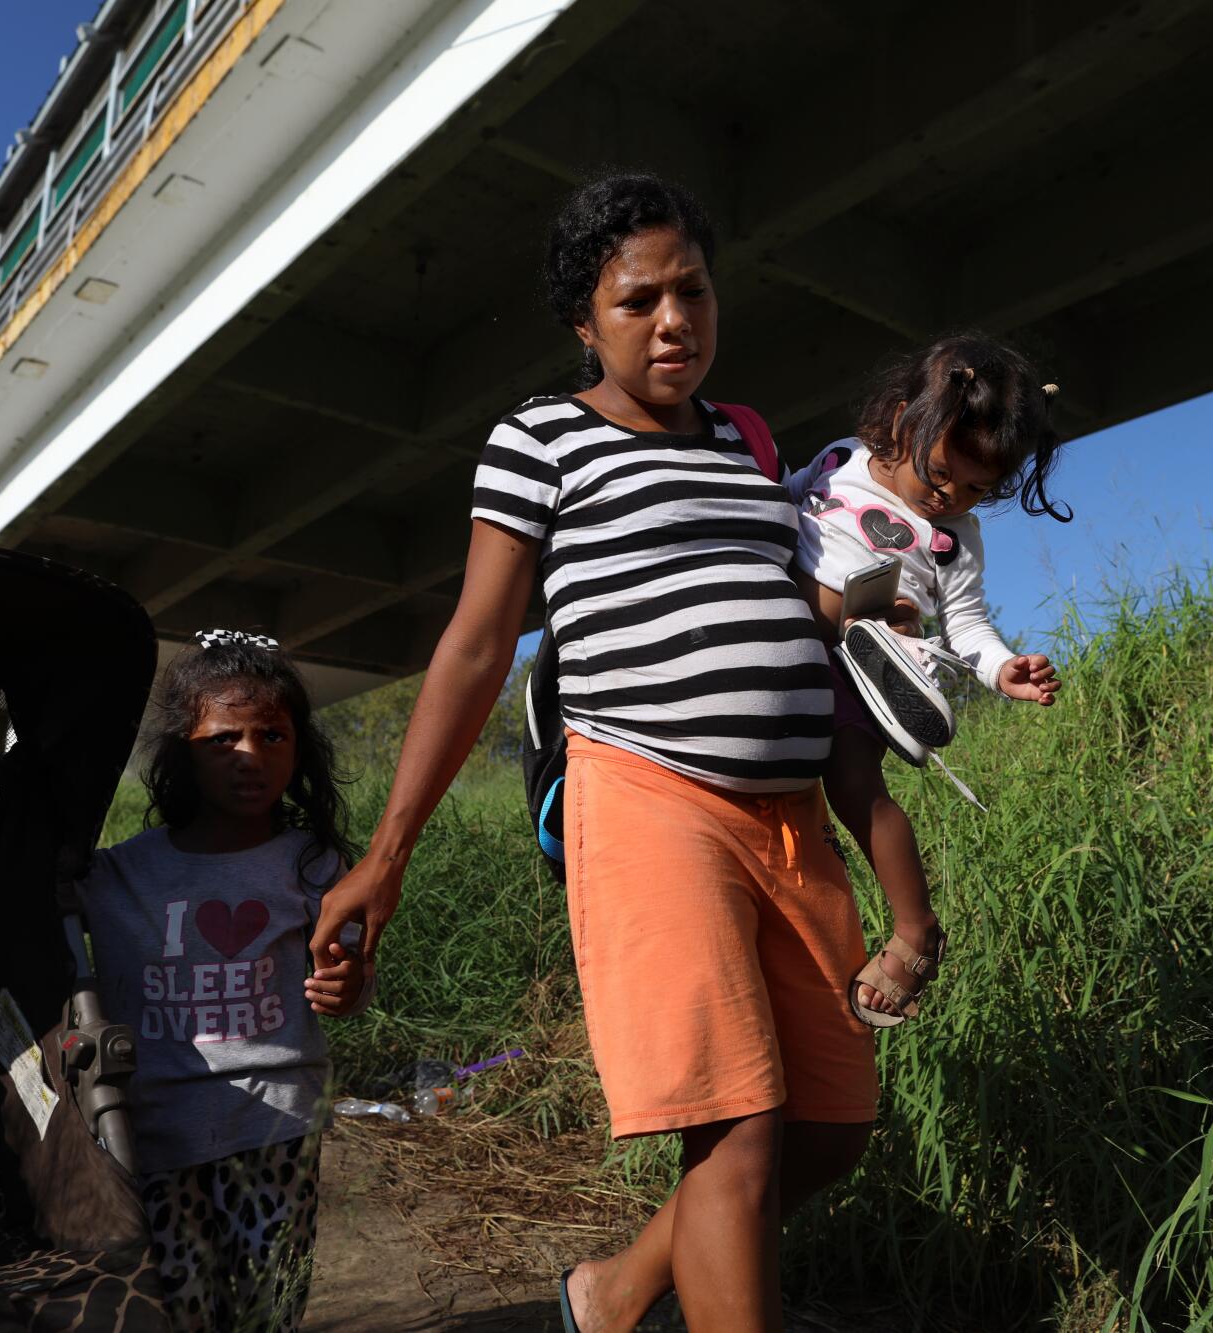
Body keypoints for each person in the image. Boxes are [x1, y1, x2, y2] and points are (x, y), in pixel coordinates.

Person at [311, 172, 875, 1333]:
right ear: (585, 320)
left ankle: (612, 1298)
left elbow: (782, 596)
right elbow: (473, 648)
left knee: (831, 1122)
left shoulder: (748, 436)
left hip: (786, 814)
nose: (675, 321)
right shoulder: (539, 438)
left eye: (693, 292)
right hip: (644, 788)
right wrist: (387, 854)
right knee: (737, 1125)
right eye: (638, 301)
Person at [80, 628, 371, 1333]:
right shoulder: (120, 872)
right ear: (183, 749)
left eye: (272, 736)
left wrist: (348, 986)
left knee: (269, 1304)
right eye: (223, 739)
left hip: (276, 1123)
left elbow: (354, 980)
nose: (250, 756)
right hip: (155, 1132)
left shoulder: (313, 864)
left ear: (299, 747)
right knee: (179, 1305)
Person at [786, 334, 1068, 1028]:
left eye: (975, 489)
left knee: (854, 782)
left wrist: (1003, 669)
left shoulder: (955, 538)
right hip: (787, 644)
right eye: (939, 476)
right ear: (905, 418)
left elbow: (967, 622)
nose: (949, 497)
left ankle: (916, 929)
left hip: (857, 667)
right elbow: (782, 509)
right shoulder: (838, 461)